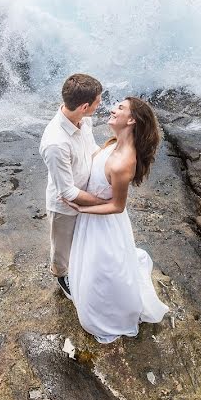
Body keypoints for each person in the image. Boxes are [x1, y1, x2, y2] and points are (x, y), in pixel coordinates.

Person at [64, 97, 170, 343]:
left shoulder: (123, 162)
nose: (113, 109)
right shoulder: (114, 143)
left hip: (104, 224)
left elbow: (117, 206)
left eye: (120, 108)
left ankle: (111, 314)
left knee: (102, 271)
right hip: (92, 219)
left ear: (131, 120)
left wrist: (81, 209)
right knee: (91, 268)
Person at [39, 73, 107, 299]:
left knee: (82, 240)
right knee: (62, 247)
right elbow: (67, 192)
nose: (100, 105)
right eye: (98, 101)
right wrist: (103, 202)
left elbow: (92, 148)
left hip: (85, 193)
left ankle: (78, 268)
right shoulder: (55, 143)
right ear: (85, 106)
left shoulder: (84, 120)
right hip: (65, 206)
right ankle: (61, 275)